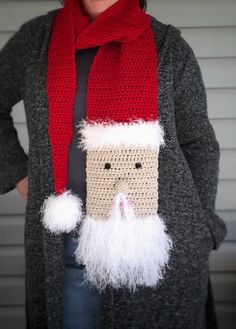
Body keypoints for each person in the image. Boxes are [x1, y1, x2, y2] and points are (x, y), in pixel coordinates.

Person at [0, 0, 227, 328]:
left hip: (159, 246)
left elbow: (199, 144)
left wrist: (201, 226)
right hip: (69, 247)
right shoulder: (37, 40)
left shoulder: (168, 46)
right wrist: (18, 174)